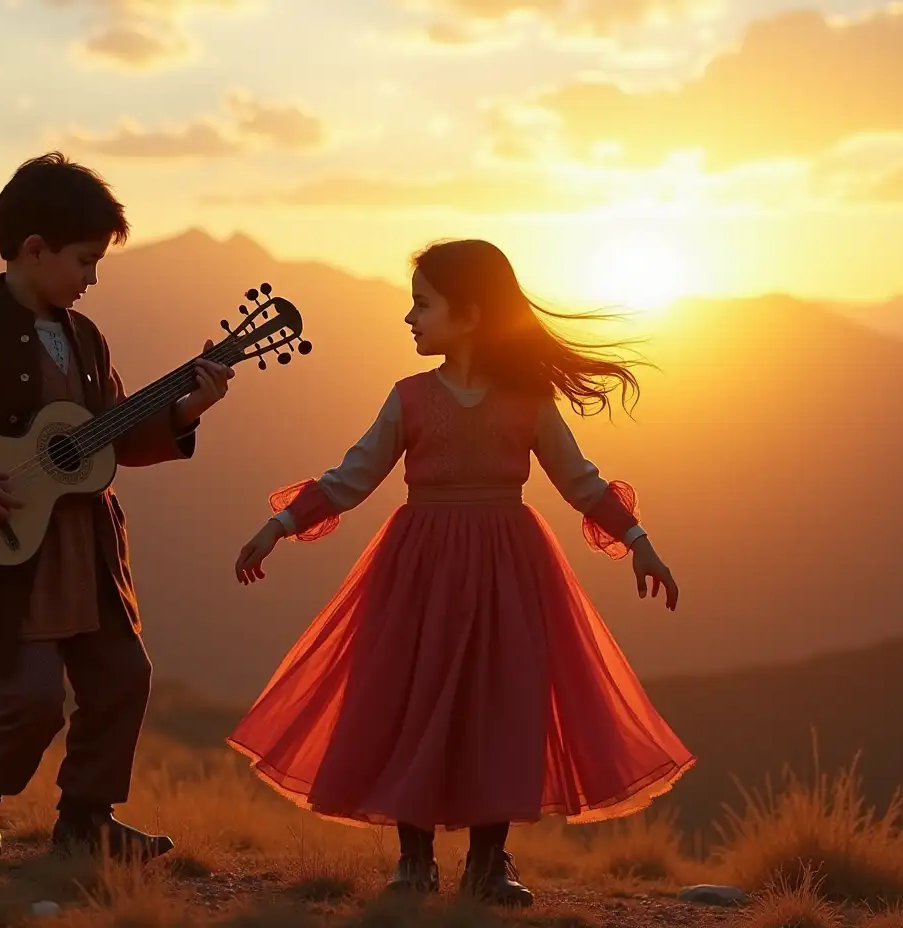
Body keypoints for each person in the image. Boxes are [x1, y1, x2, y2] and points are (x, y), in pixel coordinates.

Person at [228, 238, 692, 907]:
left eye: (423, 305)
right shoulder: (410, 398)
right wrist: (278, 525)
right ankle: (413, 860)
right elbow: (352, 476)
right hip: (418, 569)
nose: (410, 319)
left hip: (511, 570)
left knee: (503, 706)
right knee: (410, 698)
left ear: (470, 316)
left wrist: (640, 540)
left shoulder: (528, 401)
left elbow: (581, 483)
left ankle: (487, 863)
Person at [0, 152, 233, 860]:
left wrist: (187, 407)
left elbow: (111, 437)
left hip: (87, 552)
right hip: (10, 547)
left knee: (125, 677)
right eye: (85, 261)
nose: (92, 278)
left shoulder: (88, 339)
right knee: (31, 699)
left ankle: (86, 821)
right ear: (34, 251)